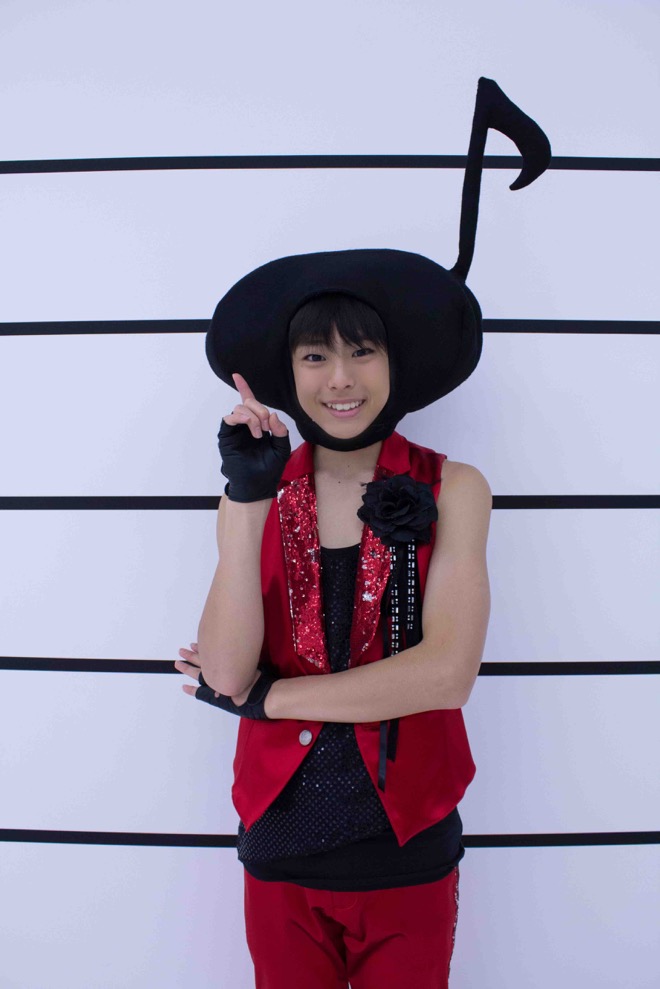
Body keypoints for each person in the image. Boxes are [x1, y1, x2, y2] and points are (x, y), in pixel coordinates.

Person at [174, 79, 551, 987]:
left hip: (406, 853)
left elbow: (445, 673)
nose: (340, 379)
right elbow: (224, 671)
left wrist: (269, 701)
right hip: (280, 851)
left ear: (394, 361)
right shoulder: (258, 493)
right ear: (289, 372)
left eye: (361, 350)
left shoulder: (454, 488)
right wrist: (246, 497)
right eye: (316, 355)